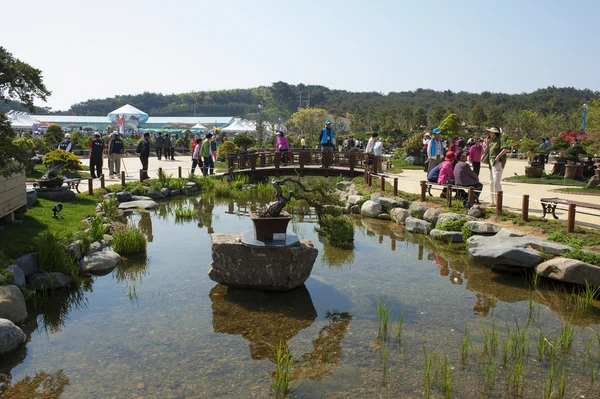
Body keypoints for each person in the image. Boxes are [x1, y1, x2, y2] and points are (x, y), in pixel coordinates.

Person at [484, 127, 509, 205]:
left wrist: (498, 156)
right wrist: (487, 145)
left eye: (491, 132)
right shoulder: (492, 141)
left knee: (496, 182)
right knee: (491, 182)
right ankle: (493, 202)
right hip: (492, 163)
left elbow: (505, 149)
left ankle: (498, 202)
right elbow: (487, 152)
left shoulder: (500, 140)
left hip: (497, 163)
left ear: (495, 133)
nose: (489, 134)